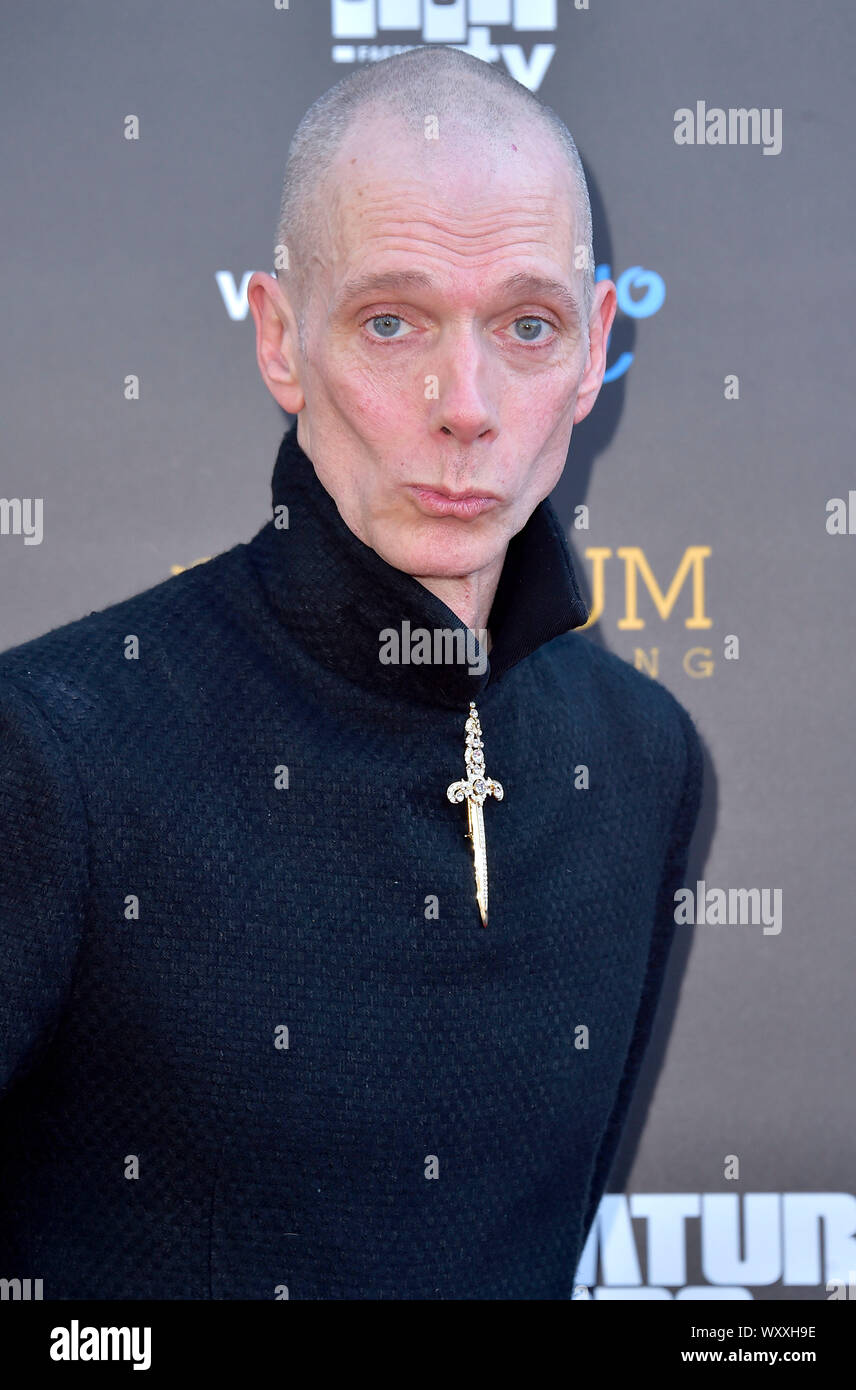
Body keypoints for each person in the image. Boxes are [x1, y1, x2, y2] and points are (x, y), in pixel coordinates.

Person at [0, 45, 702, 1300]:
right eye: (392, 321)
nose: (464, 404)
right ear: (280, 340)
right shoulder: (55, 754)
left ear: (594, 348)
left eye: (526, 325)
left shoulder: (644, 760)